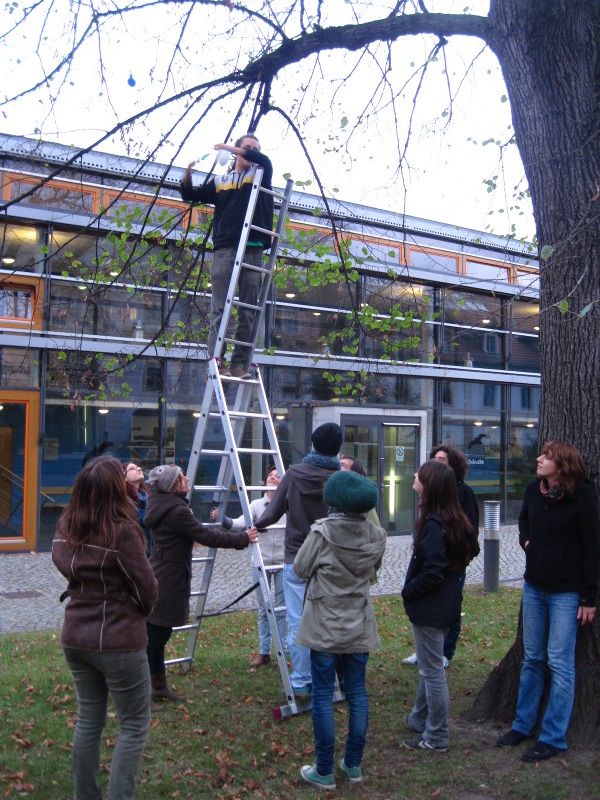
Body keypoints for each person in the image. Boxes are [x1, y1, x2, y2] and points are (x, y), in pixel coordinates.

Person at [51, 456, 158, 800]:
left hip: (76, 634)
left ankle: (86, 795)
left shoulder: (66, 525)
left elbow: (65, 565)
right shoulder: (123, 530)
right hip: (118, 637)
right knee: (134, 723)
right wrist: (139, 611)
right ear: (115, 487)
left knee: (88, 718)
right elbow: (146, 587)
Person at [496, 442, 600, 762]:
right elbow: (524, 521)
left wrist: (589, 597)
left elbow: (593, 548)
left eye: (547, 456)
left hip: (566, 593)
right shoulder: (534, 490)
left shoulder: (582, 496)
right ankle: (523, 725)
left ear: (563, 465)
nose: (539, 459)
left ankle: (553, 737)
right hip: (534, 588)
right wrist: (527, 541)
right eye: (541, 454)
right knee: (532, 659)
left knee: (560, 662)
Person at [295, 469, 387, 789]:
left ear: (334, 500)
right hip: (359, 624)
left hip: (324, 625)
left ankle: (324, 770)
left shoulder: (321, 533)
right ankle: (353, 764)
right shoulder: (377, 535)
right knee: (357, 693)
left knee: (323, 694)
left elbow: (300, 568)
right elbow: (373, 572)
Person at [144, 464, 257, 706]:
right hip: (169, 577)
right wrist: (242, 538)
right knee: (155, 637)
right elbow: (207, 536)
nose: (186, 479)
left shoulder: (163, 504)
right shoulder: (177, 511)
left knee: (157, 633)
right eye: (181, 477)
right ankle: (141, 694)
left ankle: (158, 687)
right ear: (173, 486)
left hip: (163, 572)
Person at [249, 422, 343, 698]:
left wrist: (257, 525)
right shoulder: (339, 479)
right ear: (338, 448)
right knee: (327, 619)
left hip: (297, 557)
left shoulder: (294, 474)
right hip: (329, 558)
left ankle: (301, 679)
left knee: (297, 620)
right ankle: (327, 679)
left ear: (313, 444)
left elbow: (274, 511)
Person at [179, 133, 274, 379]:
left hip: (252, 249)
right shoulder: (222, 181)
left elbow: (263, 159)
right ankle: (216, 360)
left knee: (247, 311)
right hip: (226, 248)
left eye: (255, 148)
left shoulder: (260, 173)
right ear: (237, 151)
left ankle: (239, 364)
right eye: (248, 147)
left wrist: (232, 148)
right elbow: (191, 196)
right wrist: (187, 172)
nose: (252, 152)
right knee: (220, 308)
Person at [402, 459, 479, 753]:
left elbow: (433, 572)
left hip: (431, 609)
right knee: (429, 666)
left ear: (430, 484)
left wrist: (409, 591)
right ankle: (418, 719)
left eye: (420, 474)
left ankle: (437, 736)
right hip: (444, 606)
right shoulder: (454, 520)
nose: (415, 474)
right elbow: (467, 552)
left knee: (432, 672)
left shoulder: (435, 525)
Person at [403, 444, 480, 668]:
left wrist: (409, 590)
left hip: (450, 565)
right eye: (434, 459)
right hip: (434, 562)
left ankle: (445, 652)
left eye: (441, 460)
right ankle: (426, 651)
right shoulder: (430, 504)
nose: (436, 463)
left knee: (448, 607)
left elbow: (469, 530)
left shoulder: (462, 494)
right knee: (430, 615)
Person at [211, 465, 287, 667]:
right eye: (270, 475)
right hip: (260, 563)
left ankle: (283, 653)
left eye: (278, 476)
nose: (273, 478)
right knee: (263, 609)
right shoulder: (256, 505)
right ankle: (264, 652)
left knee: (281, 611)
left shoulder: (289, 504)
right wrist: (222, 519)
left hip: (283, 563)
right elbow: (239, 524)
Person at [340, 455, 381, 528]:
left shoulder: (363, 499)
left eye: (342, 465)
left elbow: (376, 527)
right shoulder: (332, 494)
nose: (337, 468)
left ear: (354, 473)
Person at [124, 462, 152, 557]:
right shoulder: (124, 502)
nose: (139, 469)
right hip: (134, 555)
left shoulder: (147, 499)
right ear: (124, 478)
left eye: (138, 467)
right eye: (132, 469)